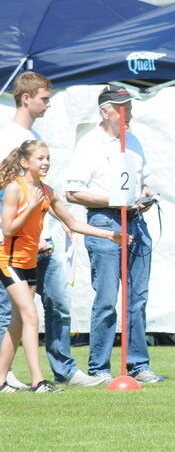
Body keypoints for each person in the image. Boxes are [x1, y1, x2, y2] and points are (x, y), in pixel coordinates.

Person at [0, 72, 105, 388]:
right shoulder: (7, 135)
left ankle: (64, 370)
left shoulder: (33, 136)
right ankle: (22, 377)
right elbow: (10, 199)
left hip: (40, 243)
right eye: (44, 98)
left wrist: (56, 225)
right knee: (18, 315)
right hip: (13, 249)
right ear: (26, 97)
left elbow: (48, 202)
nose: (49, 104)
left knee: (57, 306)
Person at [0, 141, 122, 393]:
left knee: (18, 323)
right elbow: (8, 229)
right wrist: (31, 206)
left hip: (30, 262)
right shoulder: (15, 188)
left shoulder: (47, 191)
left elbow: (73, 223)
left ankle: (0, 380)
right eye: (40, 158)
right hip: (9, 261)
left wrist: (109, 235)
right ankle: (38, 381)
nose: (46, 163)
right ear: (25, 162)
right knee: (30, 316)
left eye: (48, 158)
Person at [65, 85, 161, 384]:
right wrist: (114, 200)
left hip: (136, 222)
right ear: (105, 112)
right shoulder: (89, 145)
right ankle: (100, 368)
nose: (129, 114)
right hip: (105, 223)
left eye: (129, 108)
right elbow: (72, 192)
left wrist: (144, 196)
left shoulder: (134, 141)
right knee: (107, 299)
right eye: (123, 109)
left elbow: (142, 182)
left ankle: (138, 364)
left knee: (137, 299)